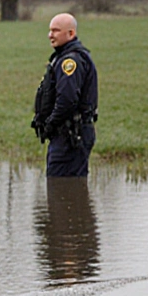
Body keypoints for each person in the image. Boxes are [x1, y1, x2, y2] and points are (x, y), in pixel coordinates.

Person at [32, 13, 99, 177]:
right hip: (67, 134)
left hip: (70, 136)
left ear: (71, 33)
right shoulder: (63, 57)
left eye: (56, 31)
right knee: (64, 189)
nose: (50, 35)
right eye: (50, 31)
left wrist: (51, 123)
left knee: (62, 186)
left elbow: (67, 100)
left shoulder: (70, 61)